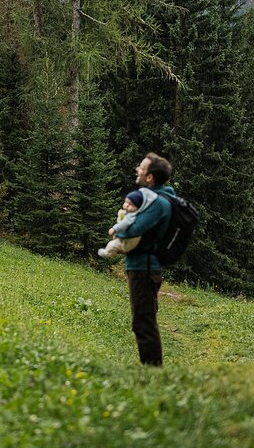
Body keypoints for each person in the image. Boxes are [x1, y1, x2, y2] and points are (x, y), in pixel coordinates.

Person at [114, 153, 174, 366]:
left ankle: (153, 371)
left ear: (150, 178)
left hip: (144, 268)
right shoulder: (153, 199)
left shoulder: (157, 203)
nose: (137, 170)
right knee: (144, 319)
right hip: (142, 267)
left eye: (141, 167)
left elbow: (135, 229)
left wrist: (118, 231)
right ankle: (152, 367)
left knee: (143, 322)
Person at [97, 189, 156, 258]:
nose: (127, 205)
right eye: (126, 202)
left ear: (137, 208)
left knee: (112, 245)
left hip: (127, 242)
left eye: (131, 204)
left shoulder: (132, 216)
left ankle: (108, 254)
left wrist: (114, 229)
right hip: (129, 241)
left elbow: (124, 224)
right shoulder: (126, 213)